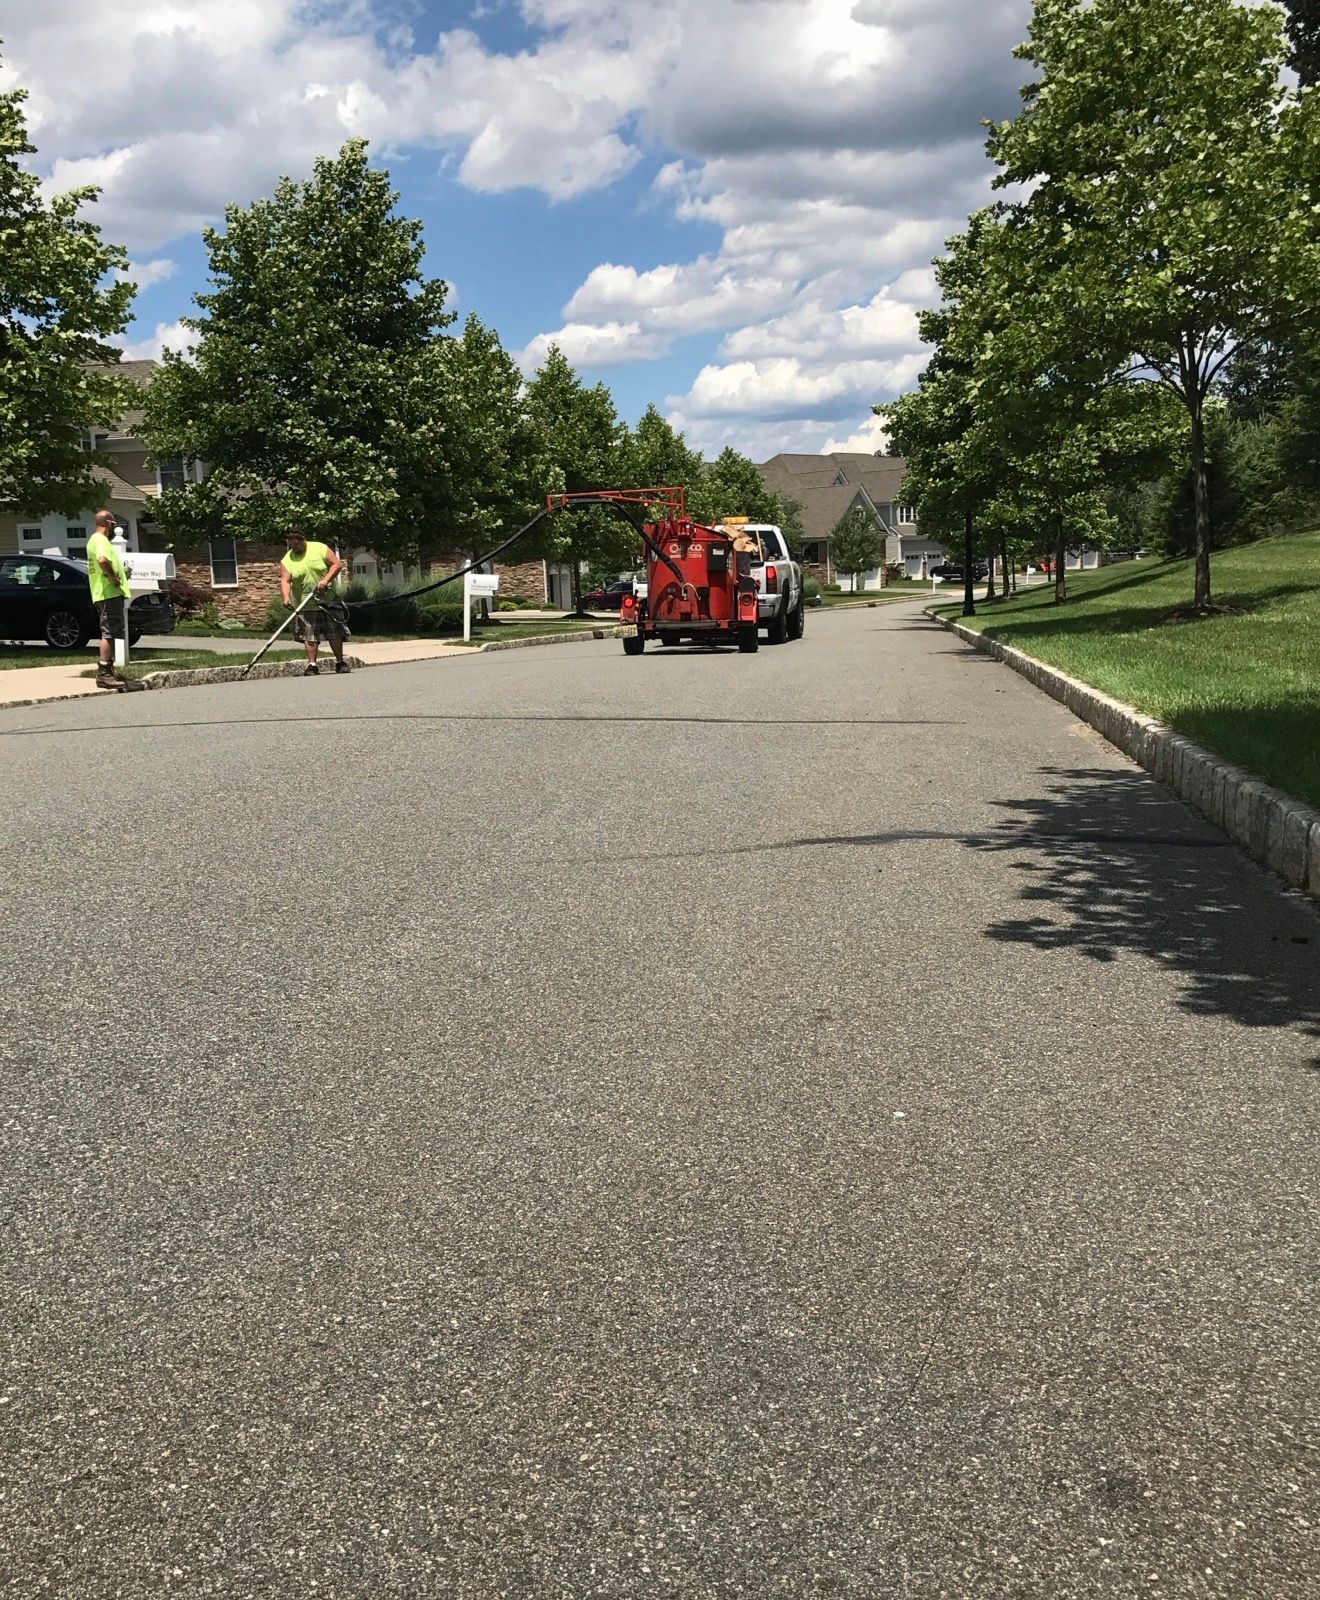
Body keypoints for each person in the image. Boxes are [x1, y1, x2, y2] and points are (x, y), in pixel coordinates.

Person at [279, 527, 350, 675]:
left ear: (303, 540)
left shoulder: (319, 548)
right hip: (305, 602)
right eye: (291, 545)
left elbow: (337, 564)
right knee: (309, 634)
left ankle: (340, 662)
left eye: (296, 544)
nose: (294, 548)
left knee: (334, 632)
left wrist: (325, 580)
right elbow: (285, 580)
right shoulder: (287, 560)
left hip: (328, 599)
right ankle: (312, 665)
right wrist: (286, 597)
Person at [85, 509, 131, 690]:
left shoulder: (94, 540)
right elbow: (103, 560)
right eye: (114, 525)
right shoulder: (101, 540)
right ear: (109, 524)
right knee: (109, 632)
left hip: (103, 593)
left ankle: (109, 670)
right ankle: (104, 673)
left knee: (110, 631)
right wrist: (113, 577)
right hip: (108, 593)